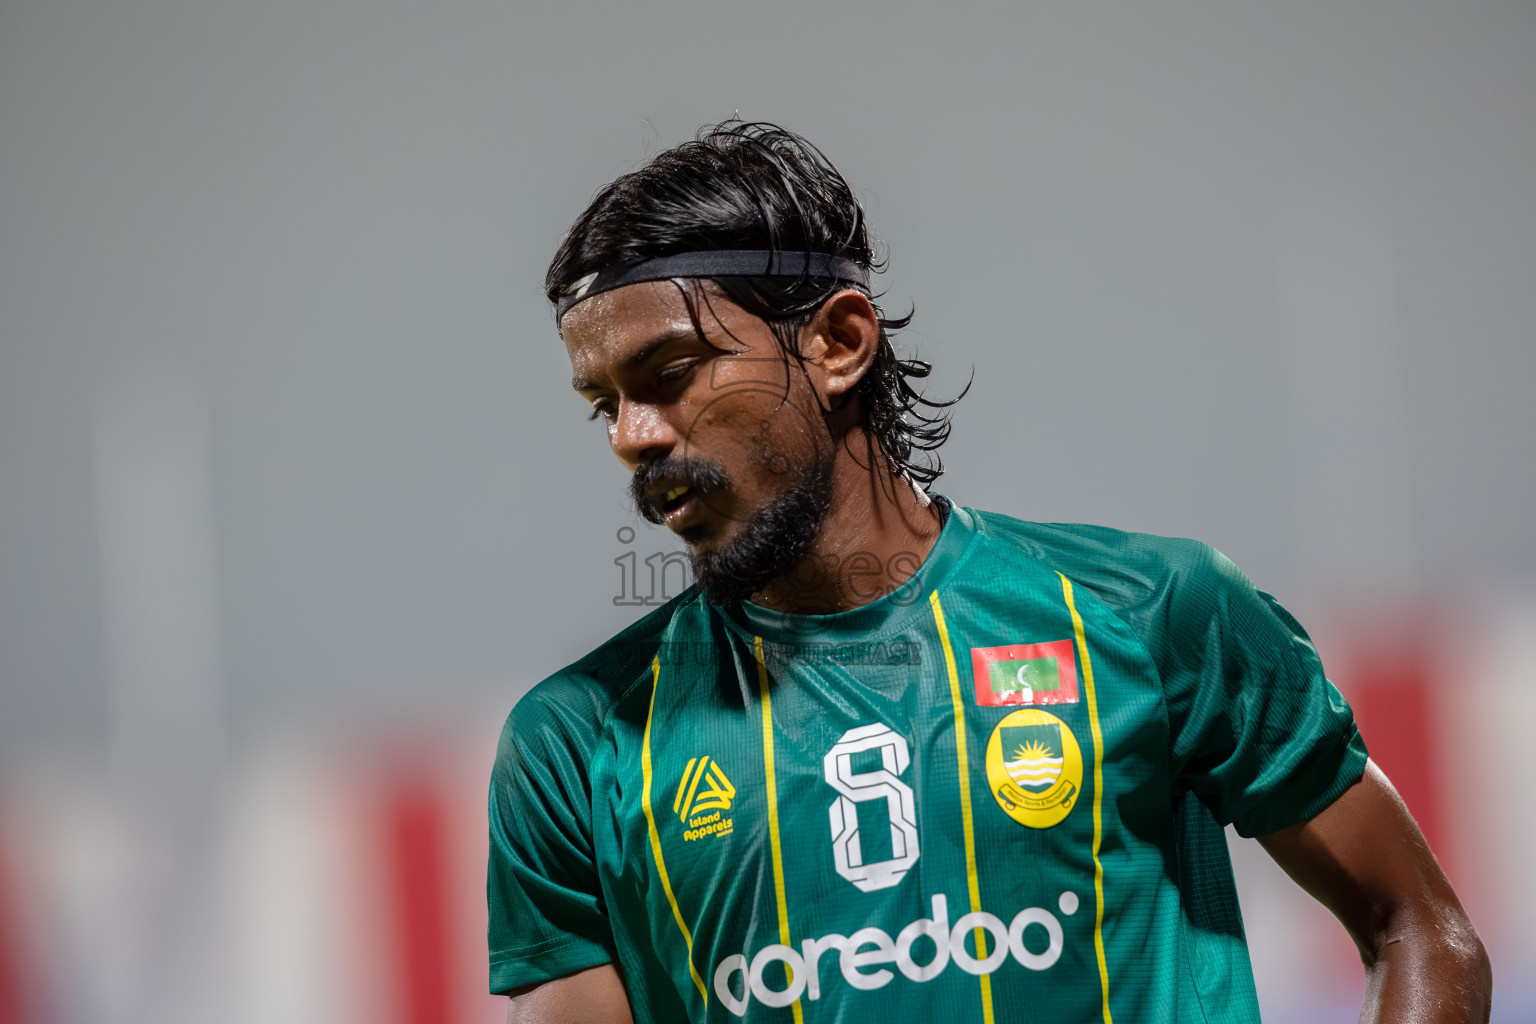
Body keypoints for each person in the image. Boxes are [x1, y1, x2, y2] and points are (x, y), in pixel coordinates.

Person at [487, 121, 1490, 1023]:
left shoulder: (1153, 614)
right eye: (602, 404)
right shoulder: (576, 745)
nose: (631, 435)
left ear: (839, 342)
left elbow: (1421, 933)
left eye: (666, 377)